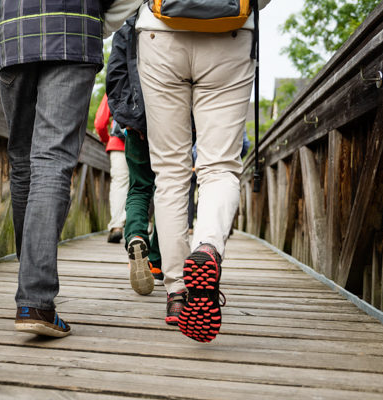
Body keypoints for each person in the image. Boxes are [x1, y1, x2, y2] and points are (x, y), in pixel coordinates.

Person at [0, 0, 141, 338]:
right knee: (51, 160)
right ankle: (35, 298)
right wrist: (98, 20)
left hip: (14, 35)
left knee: (23, 163)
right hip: (73, 31)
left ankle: (31, 286)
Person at [136, 0, 271, 341]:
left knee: (170, 172)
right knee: (220, 166)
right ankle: (208, 246)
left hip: (159, 34)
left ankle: (177, 293)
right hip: (231, 33)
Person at [105, 14, 164, 296]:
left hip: (137, 122)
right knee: (170, 189)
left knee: (139, 187)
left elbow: (115, 76)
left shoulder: (129, 24)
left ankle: (136, 235)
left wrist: (128, 119)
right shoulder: (179, 17)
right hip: (173, 122)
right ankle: (156, 262)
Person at [93, 94, 128, 244]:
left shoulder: (115, 86)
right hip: (143, 144)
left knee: (119, 184)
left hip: (118, 143)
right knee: (142, 184)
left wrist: (107, 139)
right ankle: (141, 227)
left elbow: (100, 123)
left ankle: (117, 226)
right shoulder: (149, 82)